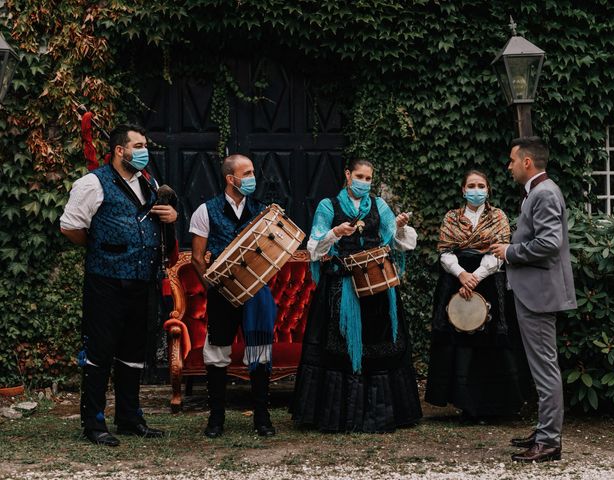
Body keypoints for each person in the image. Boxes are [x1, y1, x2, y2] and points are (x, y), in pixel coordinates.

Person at [60, 124, 178, 446]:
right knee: (99, 352)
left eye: (144, 145)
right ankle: (94, 423)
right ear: (119, 151)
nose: (144, 151)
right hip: (106, 282)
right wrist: (103, 247)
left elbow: (155, 219)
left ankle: (129, 417)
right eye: (137, 146)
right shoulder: (92, 183)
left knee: (132, 352)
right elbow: (70, 226)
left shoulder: (148, 182)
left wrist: (169, 216)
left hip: (142, 281)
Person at [290, 158, 423, 432]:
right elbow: (314, 247)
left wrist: (398, 226)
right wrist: (335, 232)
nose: (365, 182)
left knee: (380, 345)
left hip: (376, 286)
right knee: (338, 348)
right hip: (341, 285)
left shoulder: (379, 205)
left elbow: (395, 241)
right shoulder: (329, 206)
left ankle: (379, 414)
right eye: (360, 176)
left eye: (369, 178)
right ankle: (341, 415)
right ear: (348, 175)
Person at [491, 136, 576, 463]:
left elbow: (549, 244)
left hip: (539, 295)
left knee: (545, 369)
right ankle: (544, 431)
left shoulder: (543, 193)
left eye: (512, 160)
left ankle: (550, 442)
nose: (509, 166)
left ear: (527, 162)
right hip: (534, 293)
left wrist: (509, 251)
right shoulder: (539, 192)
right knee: (541, 367)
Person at [425, 170, 528, 422]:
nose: (476, 189)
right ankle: (465, 405)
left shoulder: (498, 216)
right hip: (455, 282)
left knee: (491, 345)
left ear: (488, 190)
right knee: (459, 345)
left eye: (481, 185)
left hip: (489, 280)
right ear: (463, 190)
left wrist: (476, 276)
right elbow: (445, 252)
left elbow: (499, 251)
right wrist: (462, 275)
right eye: (471, 185)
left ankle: (494, 405)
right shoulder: (451, 217)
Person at [190, 154, 277, 437]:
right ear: (231, 179)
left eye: (252, 172)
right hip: (222, 294)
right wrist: (213, 286)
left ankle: (262, 419)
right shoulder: (206, 211)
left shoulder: (262, 210)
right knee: (217, 353)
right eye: (247, 173)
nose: (252, 178)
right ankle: (216, 419)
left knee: (260, 352)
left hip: (256, 293)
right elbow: (197, 257)